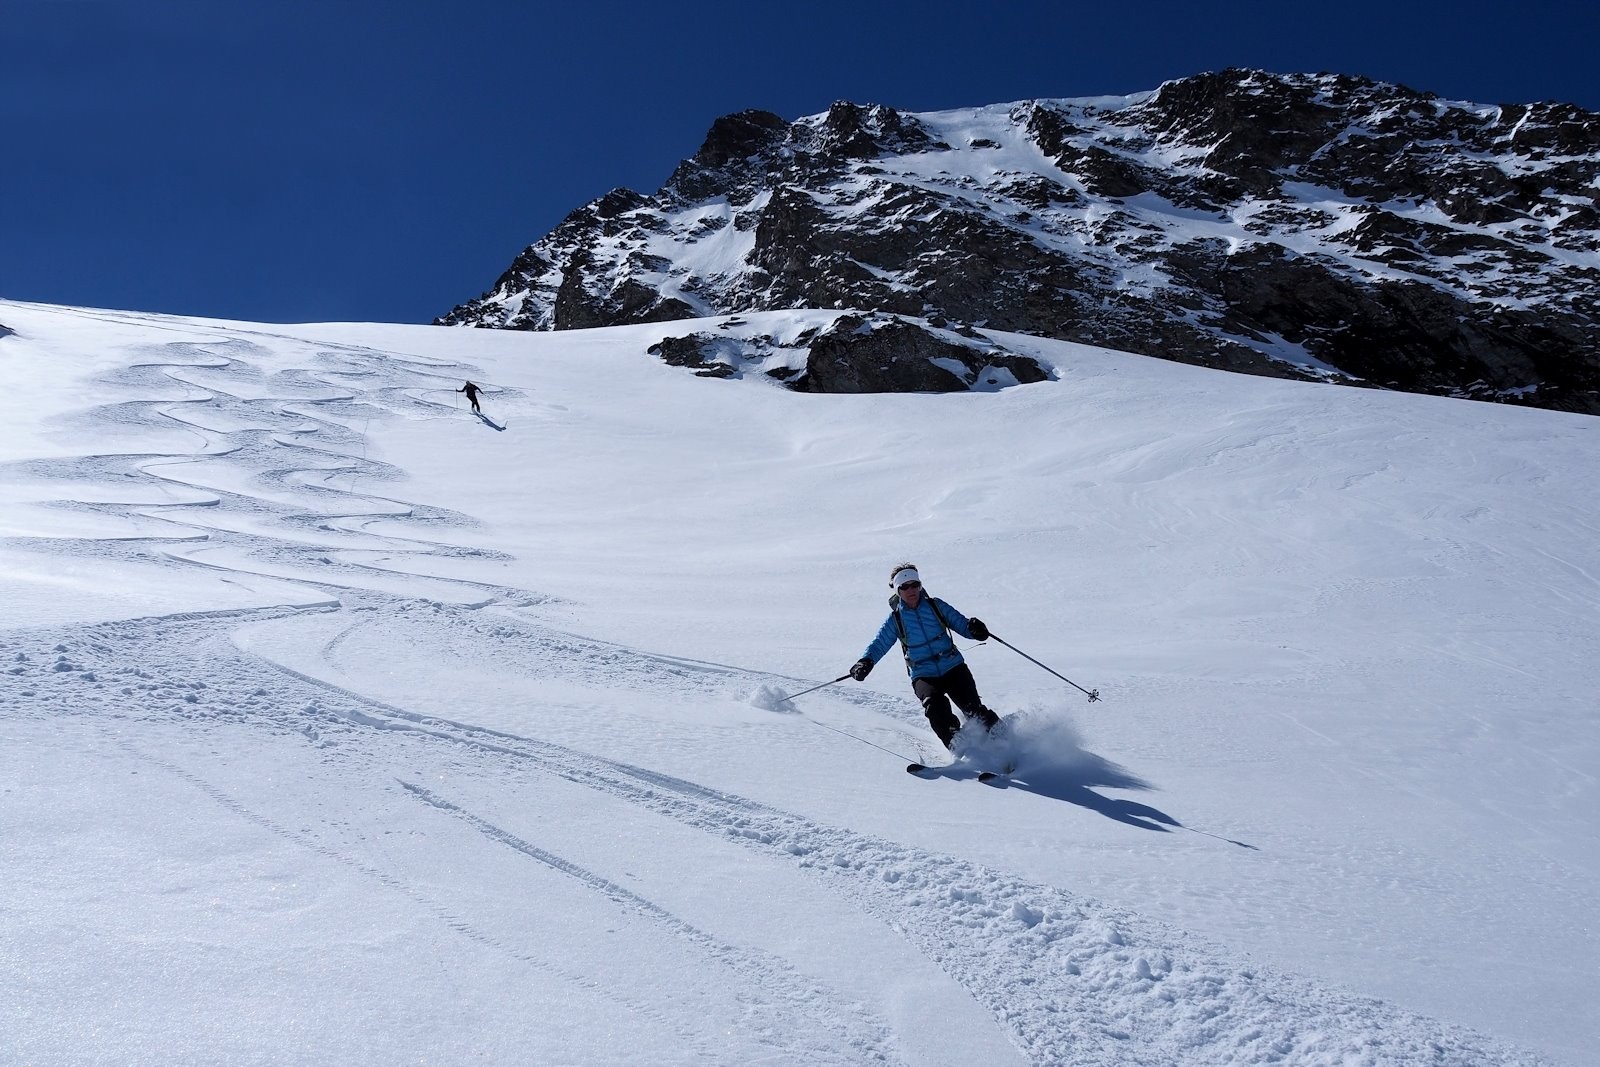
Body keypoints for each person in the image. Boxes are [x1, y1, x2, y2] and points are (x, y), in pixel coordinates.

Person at [849, 563, 1002, 749]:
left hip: (953, 666)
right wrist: (865, 662)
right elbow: (879, 644)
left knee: (974, 710)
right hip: (924, 674)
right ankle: (961, 747)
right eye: (905, 587)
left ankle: (1005, 741)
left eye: (915, 585)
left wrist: (975, 629)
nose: (911, 590)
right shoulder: (895, 619)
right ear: (898, 590)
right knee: (935, 708)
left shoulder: (936, 606)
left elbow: (961, 624)